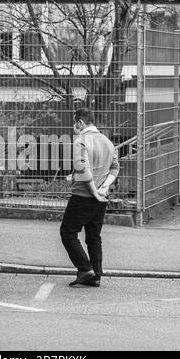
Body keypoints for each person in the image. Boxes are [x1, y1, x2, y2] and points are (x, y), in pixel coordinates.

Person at [60, 108, 119, 288]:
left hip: (83, 196)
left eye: (74, 123)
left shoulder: (81, 141)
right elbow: (115, 168)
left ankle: (85, 269)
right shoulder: (108, 141)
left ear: (81, 123)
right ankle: (96, 275)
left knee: (68, 233)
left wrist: (94, 191)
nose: (74, 127)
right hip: (102, 198)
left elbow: (83, 170)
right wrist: (103, 188)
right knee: (94, 237)